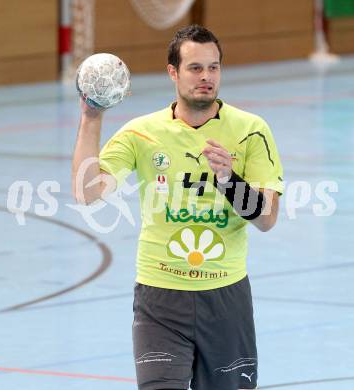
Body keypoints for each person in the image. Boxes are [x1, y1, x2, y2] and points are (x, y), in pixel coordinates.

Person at [72, 25, 283, 390]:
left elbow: (267, 218)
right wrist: (91, 118)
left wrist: (229, 181)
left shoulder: (251, 131)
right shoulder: (141, 133)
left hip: (225, 297)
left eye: (213, 68)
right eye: (195, 68)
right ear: (173, 72)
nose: (206, 77)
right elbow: (88, 193)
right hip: (160, 296)